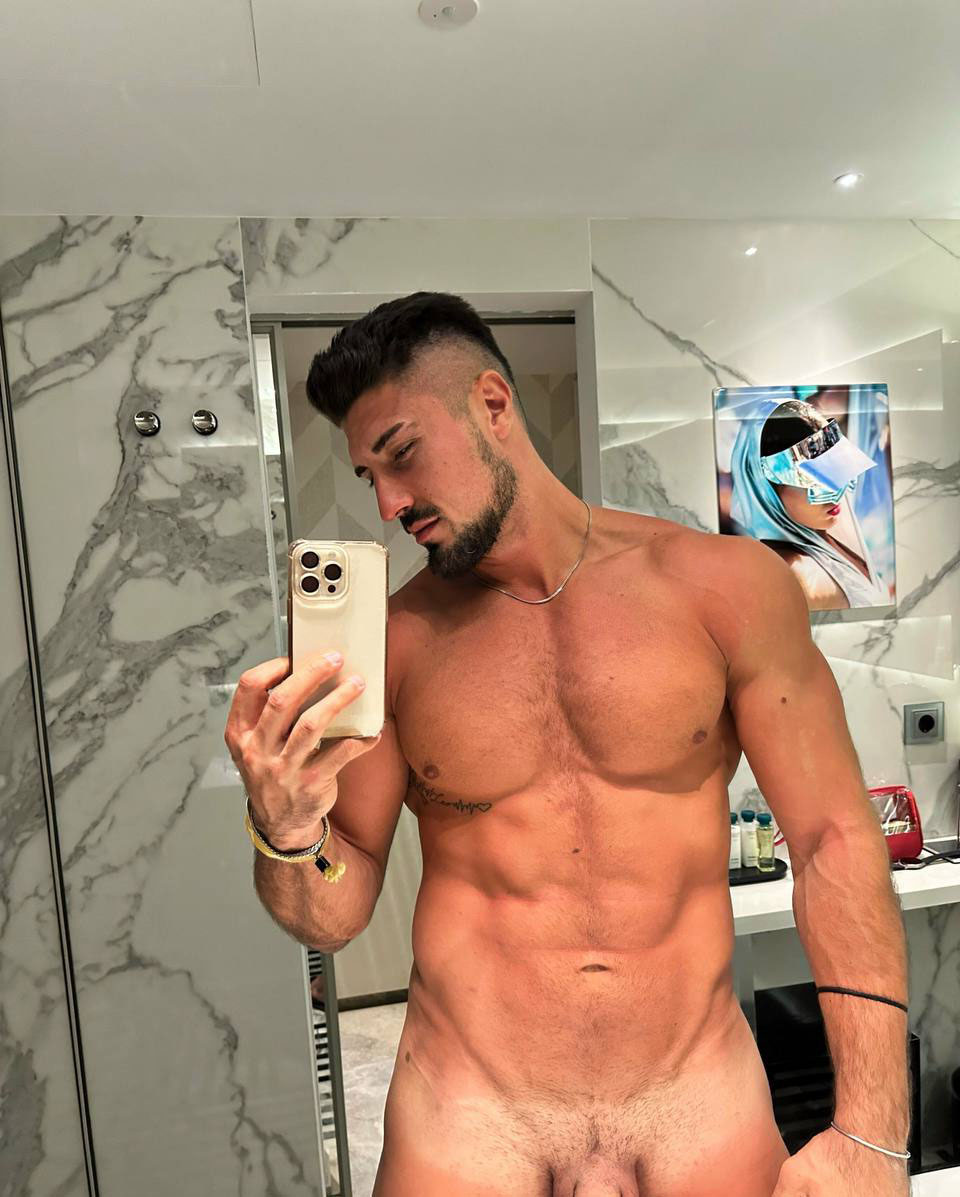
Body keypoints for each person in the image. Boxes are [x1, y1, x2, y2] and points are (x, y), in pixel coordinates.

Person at [224, 293, 911, 1197]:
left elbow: (833, 840)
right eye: (368, 476)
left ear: (493, 405)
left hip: (696, 1108)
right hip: (471, 1122)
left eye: (401, 453)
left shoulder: (727, 589)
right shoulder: (394, 646)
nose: (388, 503)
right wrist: (287, 831)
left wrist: (872, 1134)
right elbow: (336, 908)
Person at [727, 391, 890, 610]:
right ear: (766, 489)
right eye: (814, 480)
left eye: (836, 469)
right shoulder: (793, 576)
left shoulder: (825, 526)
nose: (836, 489)